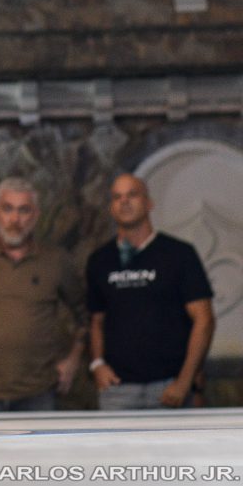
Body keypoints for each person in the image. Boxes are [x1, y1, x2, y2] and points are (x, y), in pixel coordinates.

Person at [0, 177, 87, 412]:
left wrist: (73, 360)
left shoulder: (56, 260)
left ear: (36, 215)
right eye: (8, 209)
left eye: (24, 210)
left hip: (38, 392)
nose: (15, 219)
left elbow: (84, 313)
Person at [86, 173, 215, 410]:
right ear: (111, 207)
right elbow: (96, 321)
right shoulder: (99, 260)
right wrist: (97, 364)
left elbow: (204, 319)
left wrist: (185, 381)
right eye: (117, 197)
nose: (124, 201)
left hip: (169, 386)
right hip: (117, 389)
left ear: (149, 203)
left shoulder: (179, 254)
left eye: (132, 194)